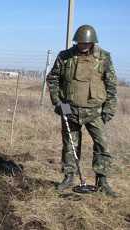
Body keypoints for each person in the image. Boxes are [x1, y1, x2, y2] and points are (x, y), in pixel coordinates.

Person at [46, 25, 118, 197]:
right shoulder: (65, 57)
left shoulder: (104, 58)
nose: (83, 45)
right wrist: (59, 104)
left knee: (102, 146)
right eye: (80, 42)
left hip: (95, 111)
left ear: (93, 42)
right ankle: (69, 177)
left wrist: (108, 111)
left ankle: (102, 181)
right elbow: (53, 79)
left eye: (86, 43)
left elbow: (111, 86)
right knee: (70, 146)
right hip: (70, 109)